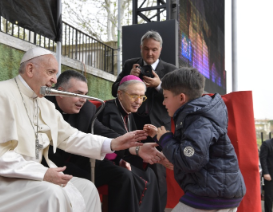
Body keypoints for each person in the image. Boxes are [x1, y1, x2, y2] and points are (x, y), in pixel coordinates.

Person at [0, 47, 148, 212]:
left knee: (87, 188)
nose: (55, 80)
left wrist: (112, 143)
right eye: (51, 72)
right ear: (30, 69)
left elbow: (71, 137)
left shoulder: (43, 104)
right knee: (52, 192)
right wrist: (42, 174)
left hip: (23, 176)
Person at [44, 70, 166, 212]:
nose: (83, 99)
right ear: (60, 92)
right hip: (50, 162)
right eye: (78, 94)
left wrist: (136, 148)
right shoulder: (44, 106)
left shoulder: (87, 108)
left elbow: (103, 132)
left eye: (85, 94)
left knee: (124, 176)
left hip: (81, 160)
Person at [150, 67, 246, 211]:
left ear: (181, 98)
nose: (163, 103)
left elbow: (190, 159)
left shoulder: (199, 120)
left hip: (211, 194)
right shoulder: (199, 116)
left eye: (166, 97)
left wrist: (165, 139)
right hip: (220, 190)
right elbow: (197, 156)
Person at [111, 30, 177, 210]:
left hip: (158, 128)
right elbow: (114, 90)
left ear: (160, 49)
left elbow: (178, 97)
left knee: (158, 169)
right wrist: (128, 77)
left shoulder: (170, 70)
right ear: (141, 48)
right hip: (132, 124)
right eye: (146, 49)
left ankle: (158, 208)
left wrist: (159, 86)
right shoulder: (129, 64)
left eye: (154, 50)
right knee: (131, 166)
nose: (150, 53)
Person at [98, 75, 173, 212]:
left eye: (142, 97)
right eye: (133, 96)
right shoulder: (110, 111)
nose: (138, 101)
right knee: (135, 175)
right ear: (120, 94)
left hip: (122, 157)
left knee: (150, 173)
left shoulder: (128, 112)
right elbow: (117, 142)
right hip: (105, 160)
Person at [260, 138, 273, 212]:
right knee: (269, 196)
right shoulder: (267, 144)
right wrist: (265, 172)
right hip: (270, 175)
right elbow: (263, 159)